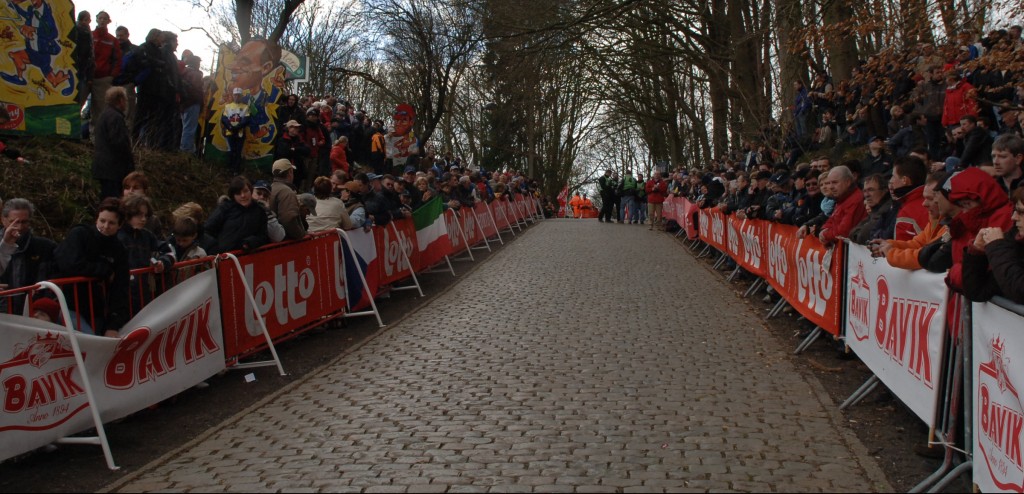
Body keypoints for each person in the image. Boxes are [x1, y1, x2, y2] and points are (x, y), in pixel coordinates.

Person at [53, 198, 129, 337]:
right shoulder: (80, 234)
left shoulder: (119, 250)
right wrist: (104, 271)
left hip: (97, 309)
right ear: (96, 219)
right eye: (102, 221)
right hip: (68, 304)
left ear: (120, 225)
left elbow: (121, 288)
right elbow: (69, 264)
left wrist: (113, 325)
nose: (105, 226)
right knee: (89, 338)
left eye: (111, 223)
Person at [873, 172, 948, 269]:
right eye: (924, 198)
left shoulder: (951, 226)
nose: (924, 204)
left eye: (931, 198)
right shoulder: (935, 219)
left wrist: (891, 253)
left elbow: (926, 255)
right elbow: (918, 244)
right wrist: (889, 244)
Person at [963, 187, 1024, 304]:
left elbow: (1019, 291)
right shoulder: (1017, 244)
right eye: (1015, 211)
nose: (1014, 217)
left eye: (1021, 212)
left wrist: (997, 247)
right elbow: (977, 292)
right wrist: (977, 253)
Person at [117, 195, 174, 314]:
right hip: (122, 295)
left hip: (143, 294)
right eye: (139, 215)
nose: (143, 219)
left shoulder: (147, 236)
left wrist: (163, 262)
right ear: (128, 214)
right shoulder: (117, 235)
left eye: (146, 216)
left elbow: (169, 251)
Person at [0, 199, 56, 313]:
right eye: (14, 222)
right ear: (3, 220)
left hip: (33, 311)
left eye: (24, 222)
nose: (19, 227)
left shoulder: (45, 247)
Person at [204, 176, 270, 254]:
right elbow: (207, 230)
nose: (243, 195)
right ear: (233, 195)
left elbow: (263, 236)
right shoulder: (225, 208)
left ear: (251, 191)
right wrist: (215, 249)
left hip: (248, 258)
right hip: (223, 258)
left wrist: (250, 242)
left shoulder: (259, 211)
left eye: (245, 191)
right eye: (238, 193)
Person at [92, 87, 134, 199]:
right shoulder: (115, 117)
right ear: (120, 100)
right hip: (113, 169)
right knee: (113, 201)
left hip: (104, 167)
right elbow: (118, 142)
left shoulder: (104, 115)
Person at [815, 166, 866, 246]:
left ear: (848, 182)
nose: (830, 187)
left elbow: (844, 231)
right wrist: (823, 229)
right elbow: (832, 219)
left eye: (835, 182)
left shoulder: (855, 199)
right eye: (829, 183)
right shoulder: (842, 198)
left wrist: (825, 235)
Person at [888, 155, 931, 241]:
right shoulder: (932, 201)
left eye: (893, 176)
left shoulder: (907, 213)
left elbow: (901, 251)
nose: (891, 181)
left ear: (904, 180)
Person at [90, 11, 121, 121]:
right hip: (86, 76)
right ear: (96, 19)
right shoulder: (90, 35)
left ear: (108, 21)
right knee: (77, 103)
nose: (102, 20)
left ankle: (96, 136)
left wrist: (112, 75)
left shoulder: (112, 40)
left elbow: (117, 59)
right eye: (100, 18)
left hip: (102, 78)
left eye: (105, 18)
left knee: (100, 108)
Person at [849, 174, 894, 244]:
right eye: (864, 191)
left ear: (884, 190)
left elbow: (862, 236)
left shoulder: (886, 208)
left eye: (871, 190)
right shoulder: (876, 209)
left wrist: (856, 235)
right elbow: (852, 232)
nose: (867, 195)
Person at [269, 159, 308, 240]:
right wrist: (301, 235)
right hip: (285, 243)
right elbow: (288, 219)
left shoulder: (269, 188)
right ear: (290, 172)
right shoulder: (287, 192)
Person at [222, 87, 251, 174]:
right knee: (231, 150)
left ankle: (237, 170)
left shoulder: (246, 107)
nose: (237, 97)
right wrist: (230, 127)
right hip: (229, 132)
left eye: (239, 95)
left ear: (241, 96)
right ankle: (230, 168)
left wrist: (238, 127)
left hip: (240, 133)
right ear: (233, 95)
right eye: (235, 95)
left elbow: (247, 119)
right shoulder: (227, 106)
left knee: (238, 151)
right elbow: (224, 118)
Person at [179, 54, 204, 154]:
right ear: (196, 63)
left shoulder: (183, 72)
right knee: (190, 128)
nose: (199, 65)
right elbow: (196, 89)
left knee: (185, 126)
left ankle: (186, 147)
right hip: (193, 102)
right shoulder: (195, 74)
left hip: (183, 103)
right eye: (199, 63)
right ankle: (186, 149)